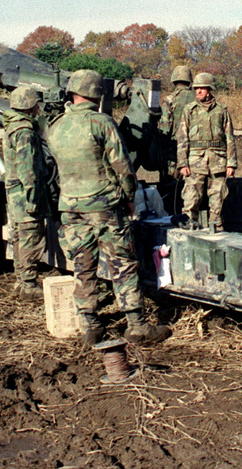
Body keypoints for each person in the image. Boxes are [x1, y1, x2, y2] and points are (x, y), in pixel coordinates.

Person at [47, 69, 170, 347]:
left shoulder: (55, 126)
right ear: (96, 94)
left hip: (71, 208)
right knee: (123, 263)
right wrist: (129, 197)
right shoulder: (101, 123)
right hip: (104, 206)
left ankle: (90, 324)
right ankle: (137, 325)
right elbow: (123, 167)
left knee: (82, 264)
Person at [3, 86, 52, 300]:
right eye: (36, 103)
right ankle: (29, 286)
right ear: (30, 105)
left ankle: (21, 279)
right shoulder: (24, 131)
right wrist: (33, 197)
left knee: (19, 235)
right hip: (25, 192)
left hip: (14, 191)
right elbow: (27, 168)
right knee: (30, 235)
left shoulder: (12, 126)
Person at [176, 72, 237, 229]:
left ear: (210, 89)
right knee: (191, 197)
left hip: (218, 161)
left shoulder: (222, 110)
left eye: (202, 88)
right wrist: (182, 163)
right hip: (195, 161)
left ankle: (216, 229)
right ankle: (189, 228)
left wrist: (231, 163)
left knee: (218, 198)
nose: (198, 91)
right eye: (196, 88)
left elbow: (230, 138)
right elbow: (182, 138)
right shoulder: (189, 110)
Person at [158, 65, 197, 177]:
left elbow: (165, 128)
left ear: (174, 80)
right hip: (196, 149)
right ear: (189, 80)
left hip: (175, 148)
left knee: (170, 185)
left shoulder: (170, 100)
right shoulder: (198, 99)